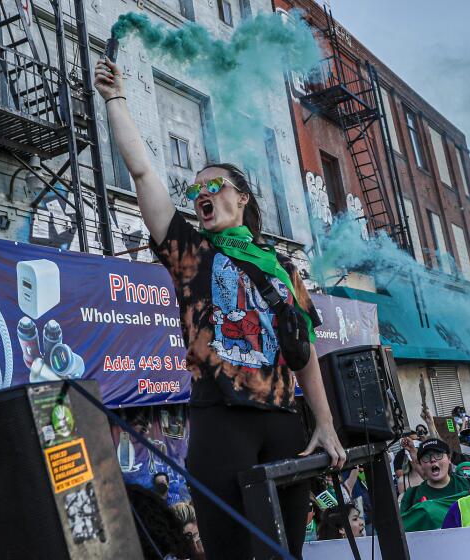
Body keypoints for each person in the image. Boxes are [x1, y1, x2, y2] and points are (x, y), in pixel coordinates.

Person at [94, 58, 345, 560]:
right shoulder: (190, 250)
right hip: (220, 416)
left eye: (216, 186)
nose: (203, 194)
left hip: (282, 422)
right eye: (197, 190)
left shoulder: (282, 267)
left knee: (284, 550)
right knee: (230, 549)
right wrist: (116, 99)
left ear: (242, 198)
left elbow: (305, 351)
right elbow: (143, 171)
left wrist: (325, 423)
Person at [399, 439, 470, 513]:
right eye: (426, 457)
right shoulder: (411, 496)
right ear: (421, 464)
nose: (433, 460)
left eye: (438, 455)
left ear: (449, 458)